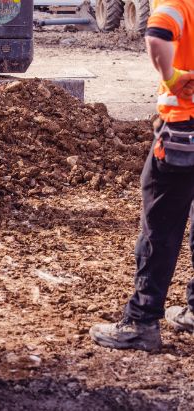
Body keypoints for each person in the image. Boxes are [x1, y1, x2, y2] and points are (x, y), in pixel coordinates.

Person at [90, 0, 194, 351]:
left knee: (160, 228)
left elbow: (157, 36)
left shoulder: (176, 3)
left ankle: (141, 321)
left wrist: (172, 77)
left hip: (183, 134)